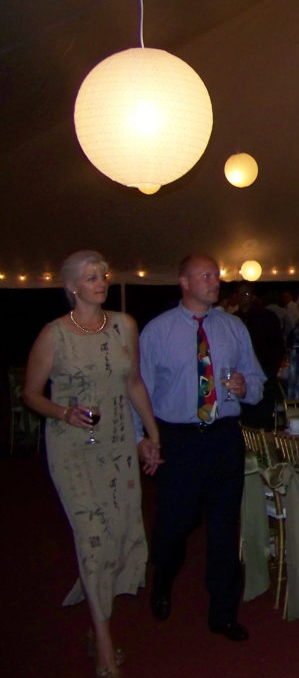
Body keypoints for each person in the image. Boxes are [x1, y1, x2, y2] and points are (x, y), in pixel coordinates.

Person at [23, 250, 161, 678]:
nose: (99, 281)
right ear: (71, 287)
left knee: (120, 537)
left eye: (101, 275)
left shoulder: (125, 325)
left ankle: (95, 615)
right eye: (89, 277)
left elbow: (134, 383)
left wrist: (152, 434)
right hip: (74, 449)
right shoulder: (54, 335)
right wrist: (63, 412)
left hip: (119, 445)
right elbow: (30, 393)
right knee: (94, 537)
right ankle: (104, 647)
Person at [137, 254, 266, 642]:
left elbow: (257, 381)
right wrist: (141, 438)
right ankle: (162, 581)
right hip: (179, 440)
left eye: (216, 275)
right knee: (174, 526)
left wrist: (247, 388)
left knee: (225, 528)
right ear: (184, 282)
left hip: (224, 436)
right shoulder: (157, 332)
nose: (215, 282)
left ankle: (223, 612)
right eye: (206, 275)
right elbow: (137, 391)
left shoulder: (233, 327)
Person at [235, 283, 285, 430]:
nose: (242, 298)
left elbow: (278, 346)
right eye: (239, 294)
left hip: (264, 375)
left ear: (253, 297)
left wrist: (270, 371)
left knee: (264, 419)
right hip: (240, 379)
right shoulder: (232, 320)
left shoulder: (266, 317)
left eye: (246, 294)